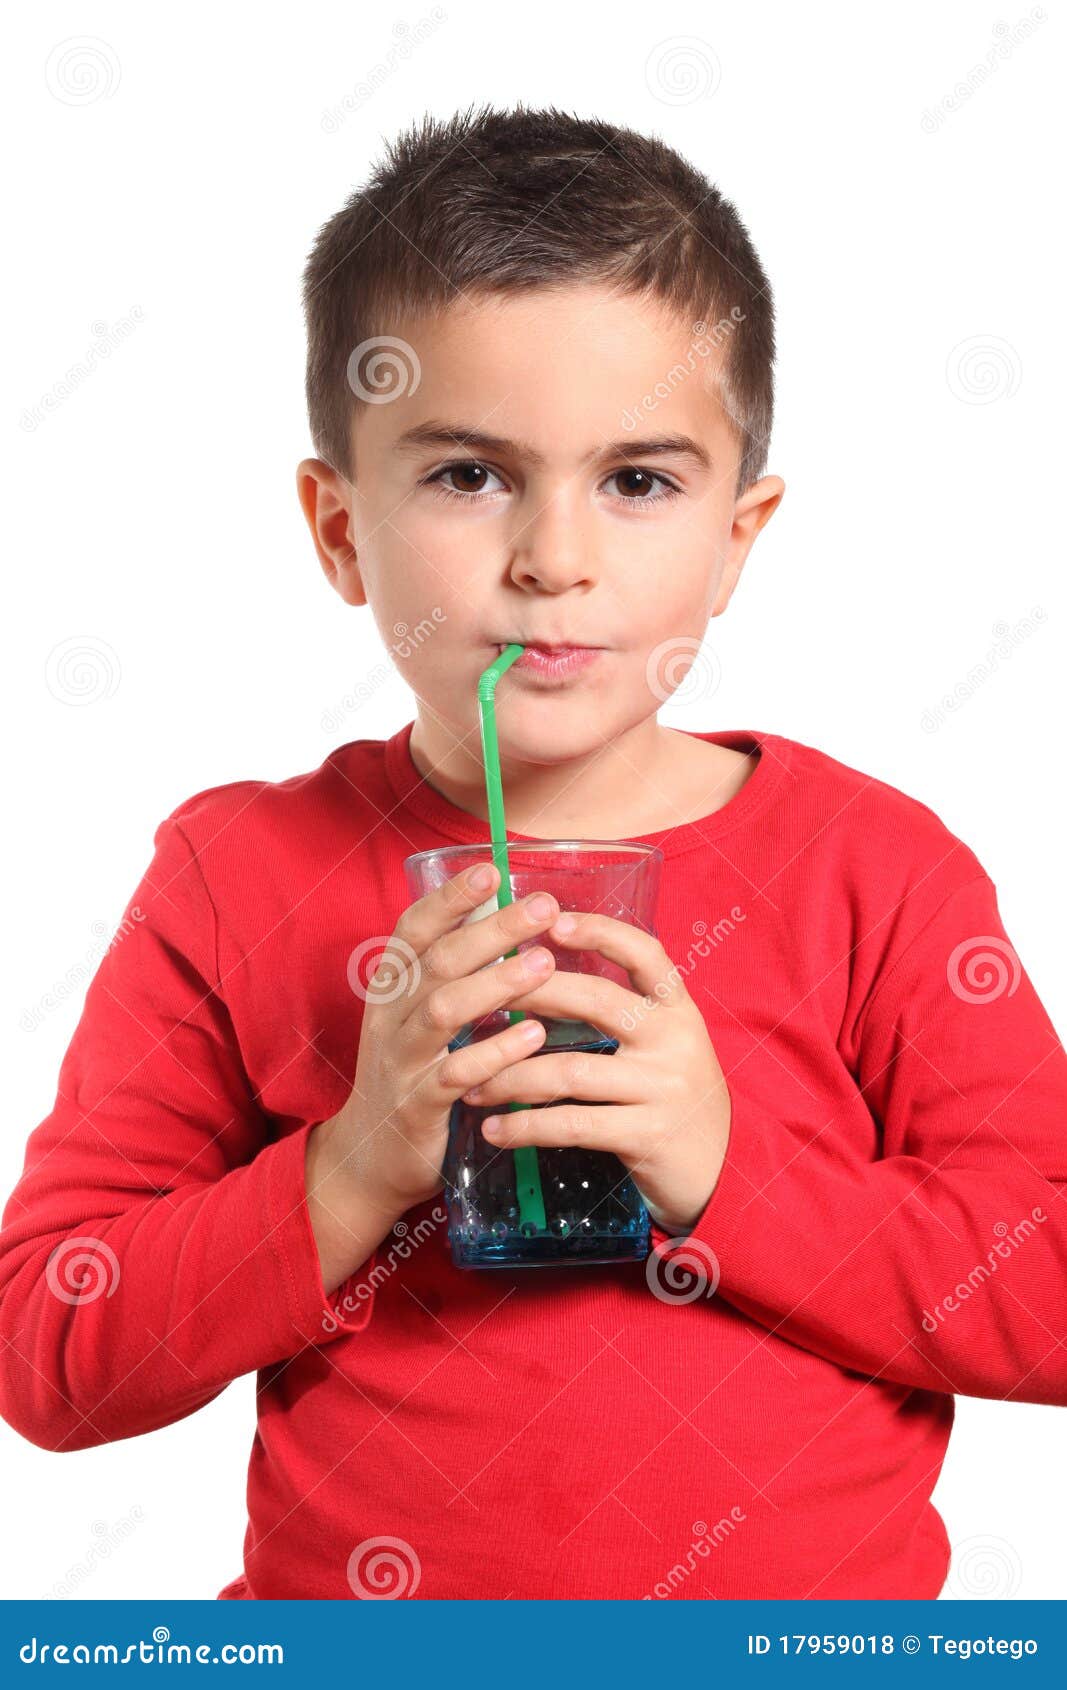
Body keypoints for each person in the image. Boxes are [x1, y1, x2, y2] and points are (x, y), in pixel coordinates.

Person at [2, 104, 1064, 1602]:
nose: (552, 555)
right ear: (338, 526)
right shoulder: (235, 869)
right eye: (467, 474)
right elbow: (50, 1347)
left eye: (639, 480)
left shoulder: (872, 868)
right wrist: (354, 1166)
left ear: (738, 536)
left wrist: (728, 1170)